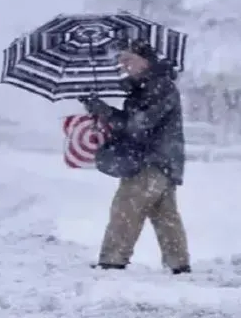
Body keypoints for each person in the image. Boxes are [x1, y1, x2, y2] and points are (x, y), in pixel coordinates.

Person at [78, 39, 191, 274]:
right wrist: (98, 107)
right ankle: (178, 265)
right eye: (121, 60)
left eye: (128, 59)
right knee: (164, 215)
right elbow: (136, 122)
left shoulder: (157, 87)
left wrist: (103, 110)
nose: (124, 65)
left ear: (145, 60)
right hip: (164, 161)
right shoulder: (148, 87)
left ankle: (112, 262)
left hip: (150, 161)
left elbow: (139, 125)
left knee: (126, 208)